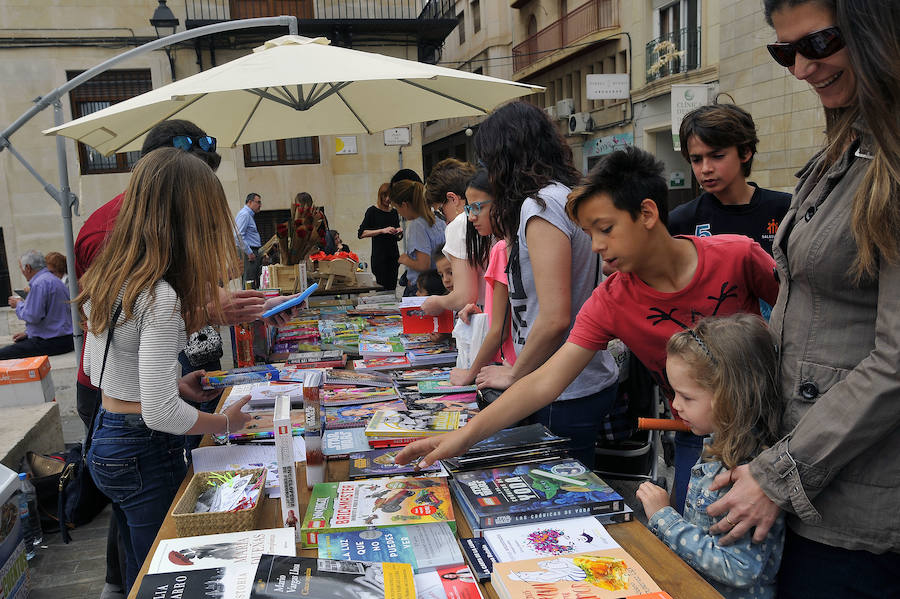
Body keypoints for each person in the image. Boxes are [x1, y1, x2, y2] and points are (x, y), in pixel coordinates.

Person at [396, 146, 778, 508]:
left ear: (646, 213)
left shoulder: (738, 256)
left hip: (778, 431)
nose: (596, 246)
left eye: (605, 229)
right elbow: (545, 381)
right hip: (701, 437)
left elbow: (802, 332)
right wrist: (462, 438)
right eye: (589, 233)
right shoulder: (612, 298)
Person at [704, 1, 900, 595]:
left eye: (817, 44)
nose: (801, 68)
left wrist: (778, 476)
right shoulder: (853, 141)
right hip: (814, 476)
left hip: (857, 503)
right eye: (783, 52)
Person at [77, 148, 254, 594]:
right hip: (142, 448)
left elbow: (106, 372)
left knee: (144, 568)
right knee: (167, 575)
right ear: (188, 225)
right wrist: (225, 423)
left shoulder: (114, 274)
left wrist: (174, 384)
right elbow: (159, 415)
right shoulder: (161, 296)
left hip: (107, 436)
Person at [636, 314, 785, 598]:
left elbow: (739, 567)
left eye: (687, 397)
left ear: (731, 396)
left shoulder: (745, 471)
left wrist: (664, 518)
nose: (675, 405)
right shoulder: (719, 446)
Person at [669, 103, 791, 257]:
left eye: (717, 156)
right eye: (696, 159)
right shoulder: (680, 221)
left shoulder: (786, 210)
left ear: (745, 152)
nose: (706, 168)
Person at [450, 169, 516, 386]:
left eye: (478, 207)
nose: (471, 217)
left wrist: (470, 374)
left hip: (504, 369)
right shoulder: (507, 245)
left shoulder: (502, 249)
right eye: (469, 208)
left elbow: (500, 331)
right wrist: (483, 315)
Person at [420, 158, 480, 315]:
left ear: (453, 199)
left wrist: (437, 302)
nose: (445, 221)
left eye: (440, 212)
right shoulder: (484, 217)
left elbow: (464, 297)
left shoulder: (459, 224)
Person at [1, 250, 73, 359]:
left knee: (3, 354)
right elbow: (51, 317)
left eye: (21, 268)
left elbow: (33, 316)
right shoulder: (53, 280)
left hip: (52, 342)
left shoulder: (40, 283)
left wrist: (19, 304)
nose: (22, 271)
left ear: (28, 268)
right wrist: (27, 333)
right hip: (64, 339)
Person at [391, 180, 446, 297]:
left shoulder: (417, 226)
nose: (400, 214)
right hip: (438, 285)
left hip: (421, 288)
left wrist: (405, 259)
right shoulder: (439, 222)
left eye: (397, 209)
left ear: (404, 205)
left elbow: (423, 265)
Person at [357, 182, 402, 291]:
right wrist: (382, 230)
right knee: (381, 288)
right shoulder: (372, 211)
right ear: (380, 196)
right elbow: (361, 233)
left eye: (390, 197)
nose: (387, 199)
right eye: (384, 196)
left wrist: (399, 231)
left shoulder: (394, 212)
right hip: (379, 257)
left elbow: (398, 238)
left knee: (392, 288)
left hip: (393, 256)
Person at [236, 192, 263, 289]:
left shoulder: (248, 215)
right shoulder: (245, 214)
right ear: (250, 202)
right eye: (258, 202)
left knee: (251, 279)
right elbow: (238, 235)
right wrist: (249, 252)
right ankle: (247, 303)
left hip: (250, 250)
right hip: (248, 251)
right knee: (249, 280)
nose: (260, 205)